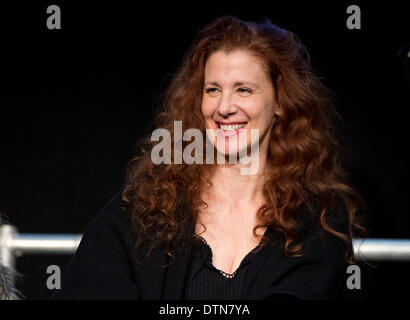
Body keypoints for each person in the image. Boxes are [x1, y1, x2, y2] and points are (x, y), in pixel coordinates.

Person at [51, 16, 366, 300]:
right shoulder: (143, 211)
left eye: (243, 90)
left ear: (281, 102)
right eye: (213, 89)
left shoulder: (318, 216)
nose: (224, 107)